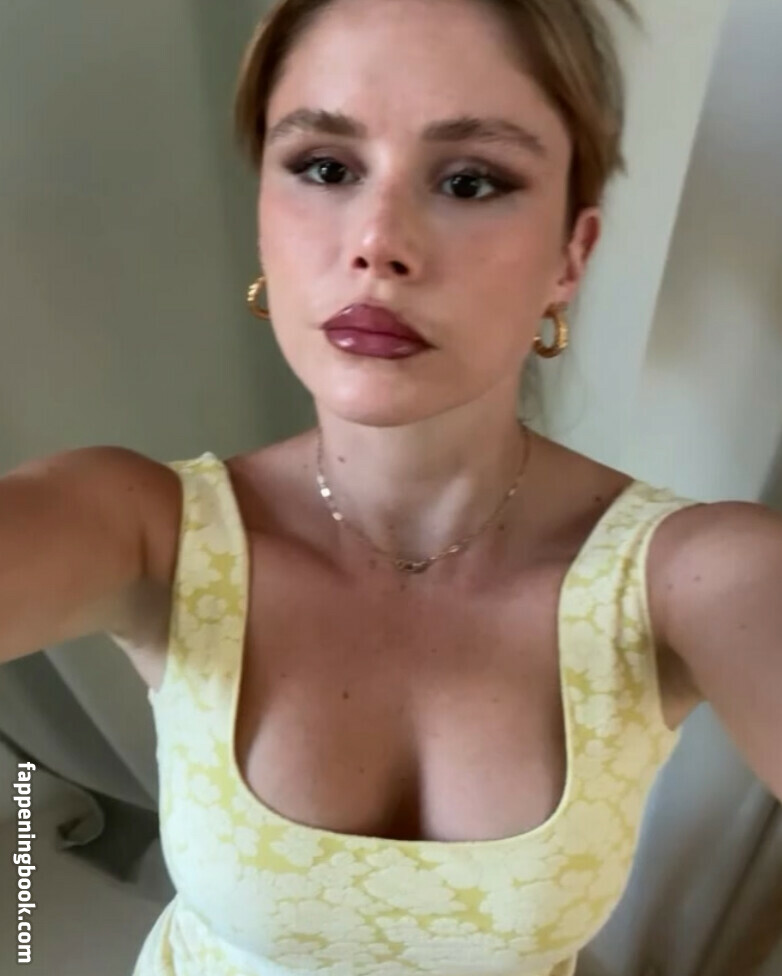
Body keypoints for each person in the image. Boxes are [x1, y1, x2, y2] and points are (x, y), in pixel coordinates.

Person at [1, 0, 780, 973]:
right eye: (325, 168)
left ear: (569, 258)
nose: (377, 240)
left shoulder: (687, 578)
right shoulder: (148, 531)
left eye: (469, 180)